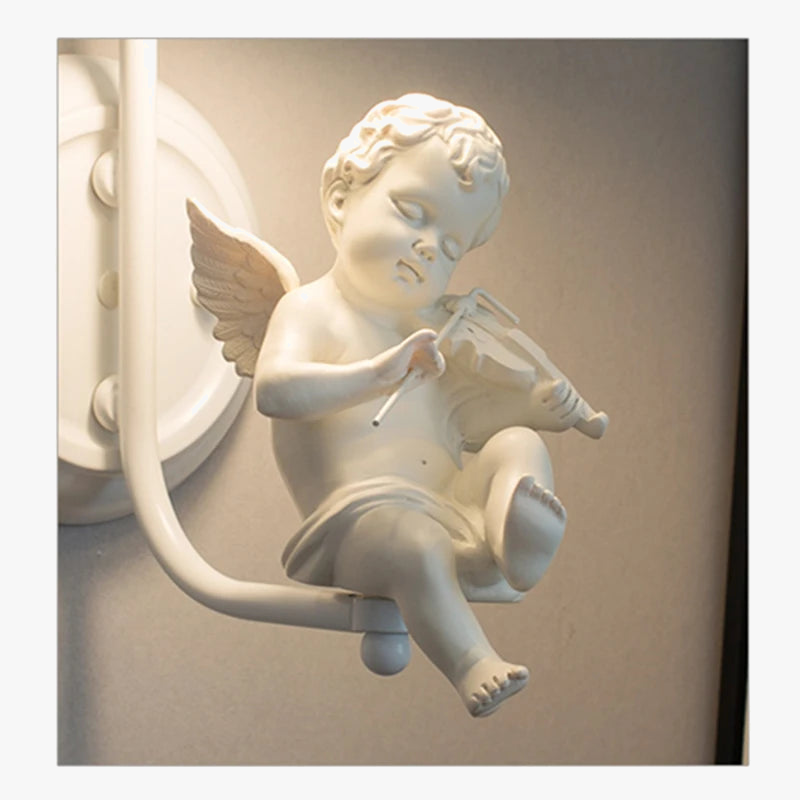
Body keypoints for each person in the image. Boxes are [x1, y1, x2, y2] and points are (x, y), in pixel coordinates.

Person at [253, 93, 594, 717]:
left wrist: (535, 408)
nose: (432, 248)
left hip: (449, 509)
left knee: (517, 444)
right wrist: (377, 373)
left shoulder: (433, 334)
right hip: (358, 524)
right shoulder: (311, 310)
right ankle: (472, 661)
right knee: (413, 542)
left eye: (453, 246)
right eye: (413, 213)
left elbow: (458, 425)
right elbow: (275, 390)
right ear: (341, 200)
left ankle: (514, 536)